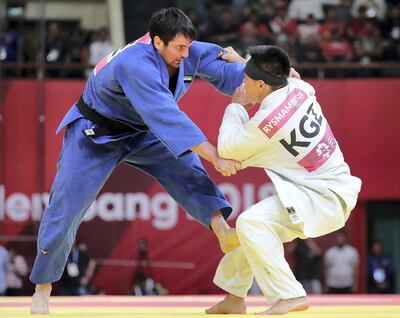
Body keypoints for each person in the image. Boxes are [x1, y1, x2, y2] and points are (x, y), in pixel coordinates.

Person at [29, 7, 247, 314]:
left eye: (188, 47)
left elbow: (235, 73)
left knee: (186, 168)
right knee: (66, 204)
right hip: (96, 133)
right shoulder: (136, 63)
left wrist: (276, 77)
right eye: (179, 48)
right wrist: (214, 155)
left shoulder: (187, 50)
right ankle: (43, 287)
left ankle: (222, 230)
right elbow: (167, 116)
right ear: (158, 42)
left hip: (142, 132)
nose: (186, 55)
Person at [205, 45, 361, 315]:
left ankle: (289, 295)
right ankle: (234, 297)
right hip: (326, 191)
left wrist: (236, 108)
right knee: (254, 232)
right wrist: (244, 61)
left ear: (262, 85)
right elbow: (283, 76)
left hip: (321, 200)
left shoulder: (268, 125)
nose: (242, 82)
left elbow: (227, 148)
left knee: (251, 222)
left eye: (246, 79)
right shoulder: (300, 89)